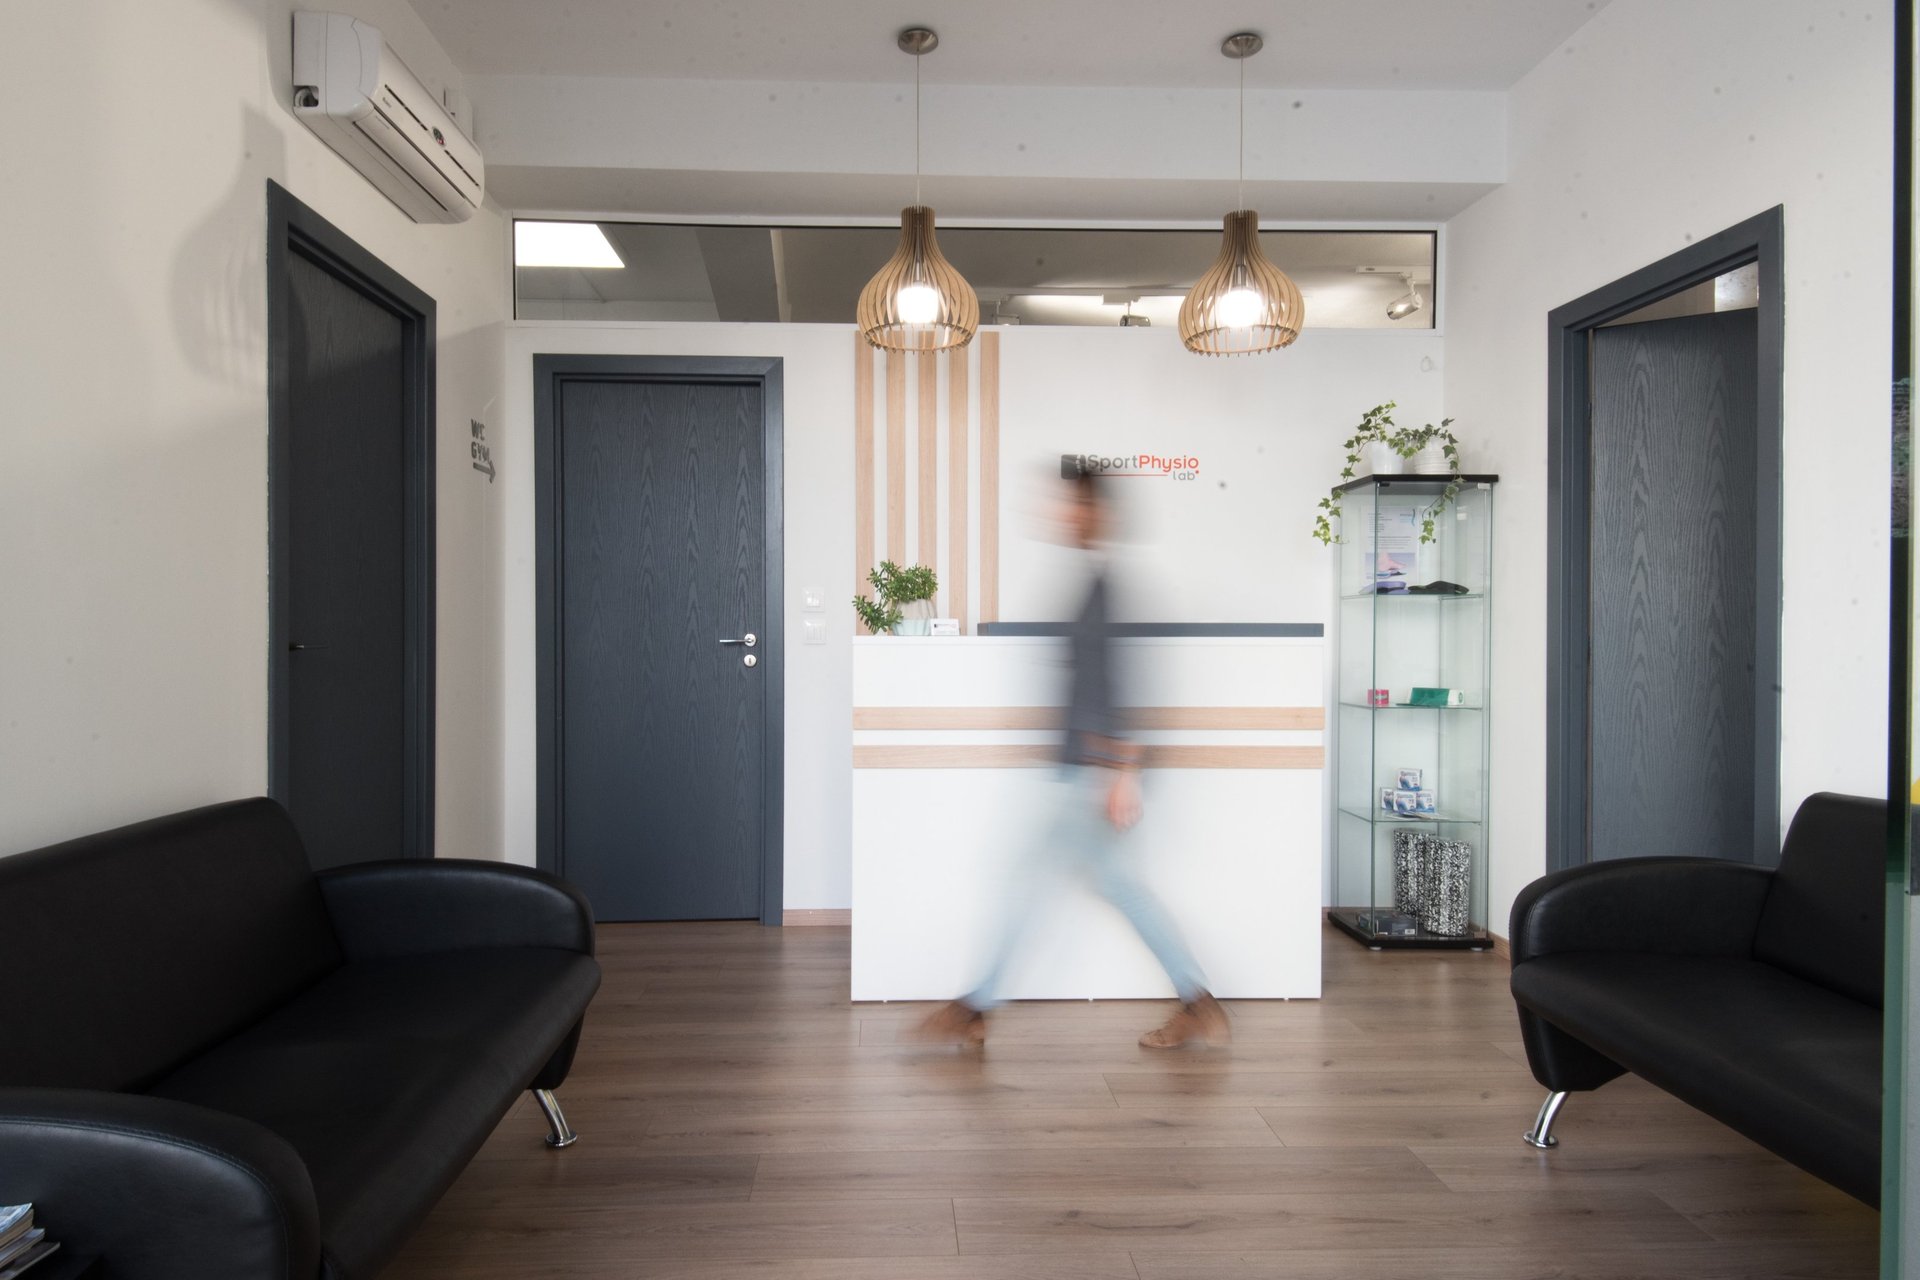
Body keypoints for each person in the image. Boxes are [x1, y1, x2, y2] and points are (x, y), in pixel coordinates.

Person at [915, 464, 1230, 1050]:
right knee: (1111, 885)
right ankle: (1198, 1002)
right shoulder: (1090, 584)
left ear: (1095, 513)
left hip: (1091, 775)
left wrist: (1123, 774)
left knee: (1029, 879)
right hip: (1082, 769)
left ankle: (974, 1007)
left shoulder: (1106, 591)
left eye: (1072, 505)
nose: (1060, 513)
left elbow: (1124, 686)